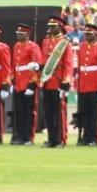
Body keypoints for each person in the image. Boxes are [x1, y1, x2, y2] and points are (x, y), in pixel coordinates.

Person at [39, 15, 72, 148]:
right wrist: (38, 68)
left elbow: (68, 63)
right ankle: (51, 139)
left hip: (58, 81)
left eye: (54, 26)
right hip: (47, 81)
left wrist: (65, 81)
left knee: (59, 113)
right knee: (49, 112)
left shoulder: (65, 43)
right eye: (50, 26)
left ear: (60, 27)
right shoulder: (46, 41)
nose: (51, 28)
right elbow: (43, 60)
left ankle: (60, 139)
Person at [75, 23, 97, 147]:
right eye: (86, 33)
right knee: (84, 112)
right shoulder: (82, 46)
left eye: (89, 34)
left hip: (95, 84)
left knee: (94, 113)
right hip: (84, 84)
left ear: (96, 35)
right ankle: (85, 136)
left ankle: (94, 137)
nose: (86, 35)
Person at [11, 23, 42, 145]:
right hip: (18, 83)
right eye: (18, 34)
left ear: (27, 35)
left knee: (29, 111)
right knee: (19, 111)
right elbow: (14, 65)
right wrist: (12, 80)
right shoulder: (16, 46)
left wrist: (32, 84)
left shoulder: (33, 47)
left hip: (28, 82)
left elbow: (36, 66)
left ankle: (28, 137)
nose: (18, 36)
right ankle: (19, 136)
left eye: (21, 34)